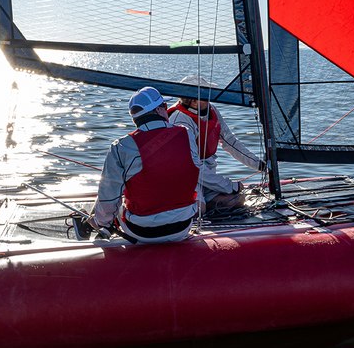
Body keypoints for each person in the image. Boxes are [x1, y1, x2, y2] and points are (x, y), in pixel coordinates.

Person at [92, 86, 203, 243]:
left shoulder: (121, 145)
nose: (167, 110)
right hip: (183, 226)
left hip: (142, 232)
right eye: (165, 106)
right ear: (159, 110)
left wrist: (100, 222)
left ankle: (100, 228)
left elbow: (108, 196)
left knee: (110, 197)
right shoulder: (187, 133)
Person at [168, 75, 265, 211]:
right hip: (185, 176)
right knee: (198, 209)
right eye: (205, 94)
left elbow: (229, 141)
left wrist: (260, 165)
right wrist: (229, 186)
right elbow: (193, 166)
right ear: (194, 101)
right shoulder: (180, 121)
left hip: (206, 173)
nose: (210, 97)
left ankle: (207, 205)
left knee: (236, 200)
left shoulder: (211, 111)